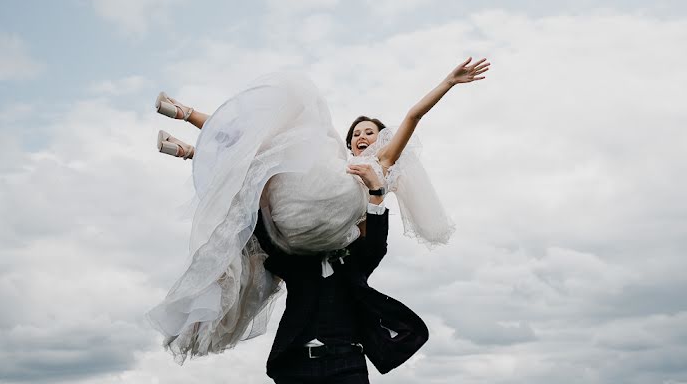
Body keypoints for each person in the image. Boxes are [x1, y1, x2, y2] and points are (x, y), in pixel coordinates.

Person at [147, 58, 490, 362]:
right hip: (295, 222)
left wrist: (447, 83)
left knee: (262, 169)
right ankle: (186, 120)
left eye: (369, 132)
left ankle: (193, 153)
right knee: (264, 145)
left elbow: (413, 116)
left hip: (331, 237)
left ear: (380, 139)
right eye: (356, 133)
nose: (361, 138)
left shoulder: (381, 164)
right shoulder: (334, 163)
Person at [254, 162, 427, 384]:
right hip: (295, 368)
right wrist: (259, 195)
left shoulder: (355, 263)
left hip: (347, 367)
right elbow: (268, 242)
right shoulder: (296, 262)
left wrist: (376, 190)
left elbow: (375, 244)